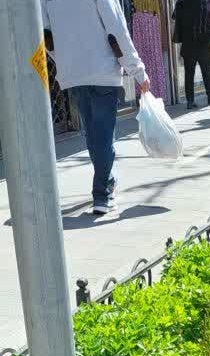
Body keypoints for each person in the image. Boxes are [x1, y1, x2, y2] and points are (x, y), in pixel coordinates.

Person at [42, 0, 150, 215]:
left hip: (73, 73)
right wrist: (138, 71)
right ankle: (102, 194)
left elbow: (47, 35)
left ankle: (107, 180)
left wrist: (64, 60)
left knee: (93, 134)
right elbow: (117, 31)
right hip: (103, 70)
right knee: (102, 135)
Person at [173, 0, 210, 109]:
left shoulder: (181, 3)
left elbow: (175, 18)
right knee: (206, 71)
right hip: (201, 43)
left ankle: (190, 101)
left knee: (189, 73)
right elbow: (208, 24)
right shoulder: (202, 3)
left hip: (187, 43)